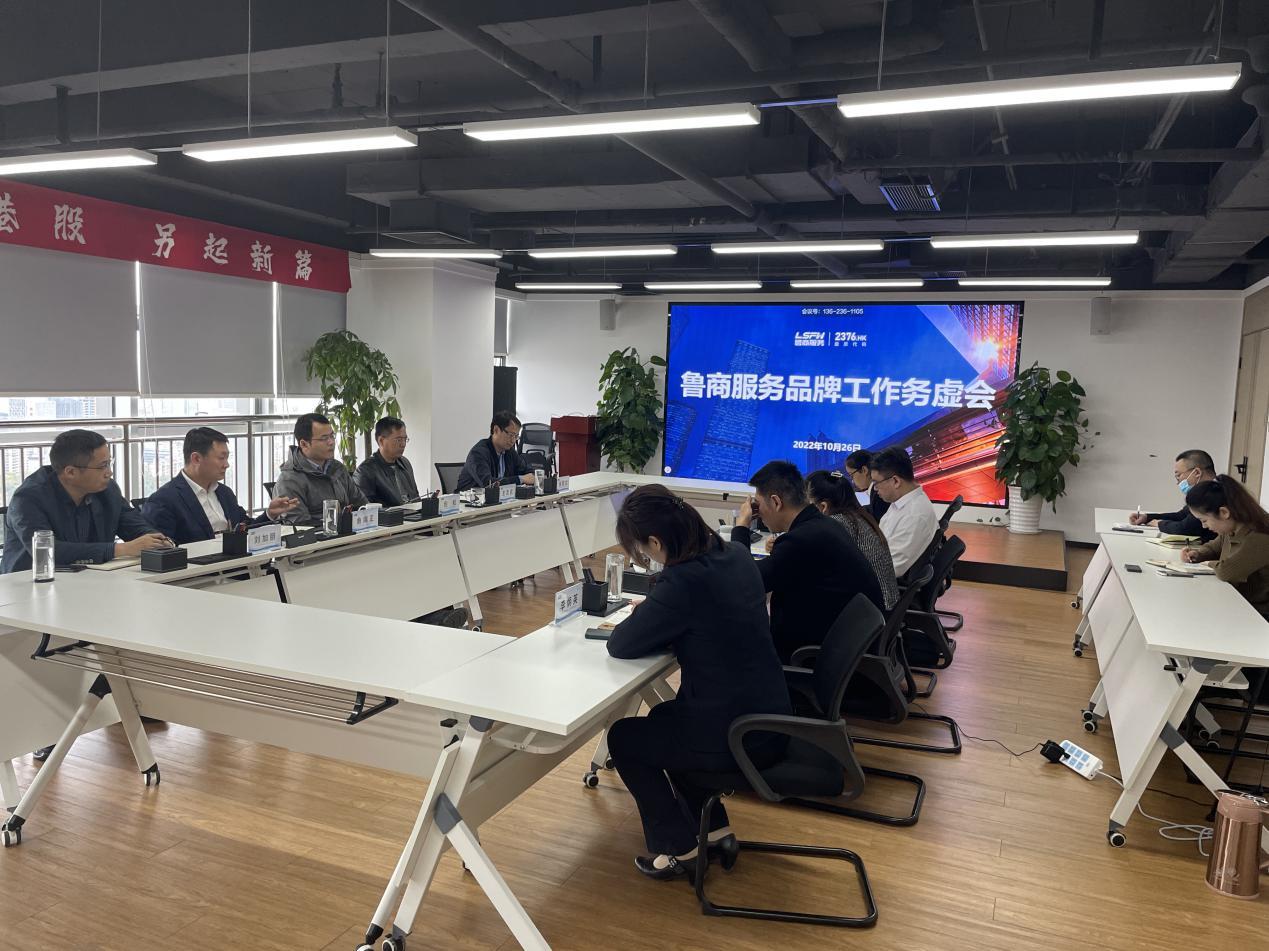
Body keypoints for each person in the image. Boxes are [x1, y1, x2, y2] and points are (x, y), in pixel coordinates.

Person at [605, 485, 791, 879]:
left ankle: (679, 850)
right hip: (769, 715)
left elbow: (621, 644)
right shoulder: (735, 555)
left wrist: (653, 612)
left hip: (737, 734)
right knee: (664, 719)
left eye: (643, 550)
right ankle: (716, 830)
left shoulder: (683, 581)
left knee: (624, 738)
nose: (647, 558)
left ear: (656, 542)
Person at [731, 460, 883, 662]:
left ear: (776, 502)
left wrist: (741, 526)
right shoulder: (822, 525)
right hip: (841, 646)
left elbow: (744, 583)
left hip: (814, 656)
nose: (757, 513)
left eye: (758, 505)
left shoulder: (802, 539)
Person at [1, 429, 170, 573]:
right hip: (31, 585)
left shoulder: (107, 490)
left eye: (109, 464)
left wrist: (156, 540)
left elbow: (132, 524)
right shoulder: (28, 499)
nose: (109, 473)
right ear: (70, 472)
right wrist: (121, 549)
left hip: (91, 579)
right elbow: (48, 551)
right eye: (102, 466)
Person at [142, 427, 299, 545]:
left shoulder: (224, 493)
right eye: (221, 458)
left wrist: (270, 514)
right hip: (199, 573)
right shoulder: (165, 500)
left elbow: (244, 529)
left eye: (227, 458)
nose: (226, 464)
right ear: (196, 459)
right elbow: (163, 549)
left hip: (236, 567)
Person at [806, 469, 899, 611]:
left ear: (823, 507)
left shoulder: (837, 523)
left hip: (872, 612)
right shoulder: (855, 516)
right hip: (883, 605)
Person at [1181, 476, 1269, 615]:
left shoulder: (1261, 534)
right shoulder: (1231, 529)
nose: (1204, 526)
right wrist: (1197, 554)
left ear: (1224, 512)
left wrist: (1208, 563)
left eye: (1204, 520)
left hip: (1259, 614)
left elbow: (1226, 571)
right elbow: (1213, 548)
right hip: (1239, 603)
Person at [273, 413, 368, 523]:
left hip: (350, 531)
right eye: (324, 438)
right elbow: (299, 526)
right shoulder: (289, 480)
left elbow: (363, 505)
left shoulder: (337, 468)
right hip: (320, 533)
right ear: (304, 444)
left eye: (332, 436)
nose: (331, 442)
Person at [870, 446, 939, 579]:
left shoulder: (914, 516)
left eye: (876, 483)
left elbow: (888, 569)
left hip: (881, 581)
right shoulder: (901, 502)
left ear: (895, 481)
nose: (875, 489)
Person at [1128, 449, 1218, 543]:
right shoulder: (1204, 492)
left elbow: (1185, 528)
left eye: (1178, 476)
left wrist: (1159, 524)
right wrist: (1147, 517)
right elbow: (1181, 515)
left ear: (1197, 473)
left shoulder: (1214, 494)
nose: (1178, 482)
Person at [456, 410, 536, 491]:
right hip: (468, 498)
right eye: (511, 435)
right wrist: (520, 479)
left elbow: (528, 472)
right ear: (496, 430)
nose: (513, 440)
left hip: (499, 498)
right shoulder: (478, 453)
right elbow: (488, 483)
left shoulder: (509, 452)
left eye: (516, 436)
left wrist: (531, 476)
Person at [355, 416, 420, 506]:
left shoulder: (405, 463)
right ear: (381, 441)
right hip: (391, 515)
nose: (403, 444)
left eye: (405, 439)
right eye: (399, 440)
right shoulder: (365, 471)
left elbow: (416, 498)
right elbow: (365, 509)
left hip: (414, 514)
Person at [845, 449, 890, 521]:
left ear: (864, 470)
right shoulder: (874, 493)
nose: (852, 481)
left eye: (851, 475)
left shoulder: (879, 494)